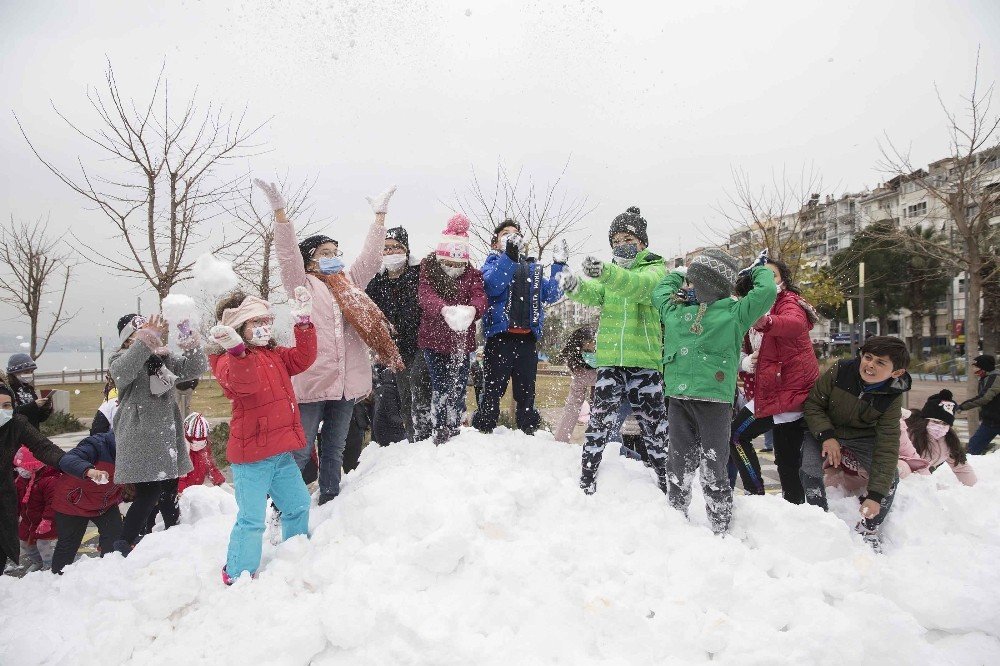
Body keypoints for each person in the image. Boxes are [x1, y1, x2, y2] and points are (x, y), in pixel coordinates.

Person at [258, 178, 400, 504]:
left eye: (336, 253)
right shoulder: (301, 284)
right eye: (325, 253)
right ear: (310, 261)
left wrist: (379, 218)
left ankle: (330, 500)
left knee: (334, 448)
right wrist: (280, 214)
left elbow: (371, 258)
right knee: (300, 449)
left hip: (346, 384)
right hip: (314, 381)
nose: (333, 257)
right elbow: (287, 255)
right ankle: (283, 505)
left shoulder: (349, 284)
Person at [653, 250, 777, 534]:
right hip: (679, 399)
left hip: (715, 401)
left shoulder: (734, 313)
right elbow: (658, 293)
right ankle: (676, 522)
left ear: (710, 285)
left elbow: (766, 292)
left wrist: (755, 271)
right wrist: (678, 274)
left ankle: (720, 526)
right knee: (678, 463)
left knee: (714, 465)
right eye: (688, 281)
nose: (688, 287)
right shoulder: (676, 311)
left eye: (693, 282)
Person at [208, 288, 317, 584]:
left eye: (266, 321)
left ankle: (294, 553)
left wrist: (304, 323)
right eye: (256, 322)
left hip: (281, 454)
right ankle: (238, 573)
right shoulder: (226, 361)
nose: (264, 327)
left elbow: (303, 359)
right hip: (251, 459)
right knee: (252, 520)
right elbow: (245, 385)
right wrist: (237, 353)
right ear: (238, 328)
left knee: (298, 504)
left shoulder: (274, 354)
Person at [558, 207, 668, 493]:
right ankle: (586, 480)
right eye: (616, 241)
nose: (621, 245)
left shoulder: (656, 270)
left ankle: (667, 485)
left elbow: (640, 287)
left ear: (642, 242)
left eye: (628, 239)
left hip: (643, 363)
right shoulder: (612, 277)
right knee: (599, 424)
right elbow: (594, 293)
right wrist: (574, 285)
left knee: (654, 429)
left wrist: (607, 273)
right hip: (609, 362)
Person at [801, 336, 912, 552]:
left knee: (889, 479)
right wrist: (827, 436)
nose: (870, 365)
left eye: (880, 362)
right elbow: (813, 404)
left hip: (862, 435)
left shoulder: (892, 396)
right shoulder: (842, 370)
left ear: (896, 372)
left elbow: (887, 443)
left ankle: (869, 529)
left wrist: (875, 496)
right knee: (809, 468)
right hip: (825, 427)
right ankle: (820, 521)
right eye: (867, 357)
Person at [108, 312, 207, 556]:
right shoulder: (120, 358)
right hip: (139, 433)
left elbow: (195, 368)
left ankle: (174, 534)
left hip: (165, 433)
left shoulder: (163, 358)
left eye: (152, 330)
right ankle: (124, 544)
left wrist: (188, 338)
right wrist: (146, 340)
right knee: (150, 492)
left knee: (169, 488)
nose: (151, 335)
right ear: (128, 339)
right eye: (141, 332)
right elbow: (122, 373)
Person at [729, 255, 819, 503]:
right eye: (761, 276)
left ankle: (756, 494)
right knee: (787, 460)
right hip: (771, 390)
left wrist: (766, 321)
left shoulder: (789, 302)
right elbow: (738, 347)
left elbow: (795, 323)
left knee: (737, 436)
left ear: (783, 281)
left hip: (790, 390)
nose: (767, 281)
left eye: (773, 276)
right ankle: (793, 507)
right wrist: (745, 361)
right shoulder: (751, 306)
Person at [471, 220, 566, 434]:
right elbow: (493, 286)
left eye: (516, 234)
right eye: (506, 234)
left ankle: (528, 431)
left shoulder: (533, 268)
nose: (512, 237)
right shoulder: (491, 264)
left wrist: (559, 265)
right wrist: (510, 257)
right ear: (495, 243)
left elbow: (552, 294)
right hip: (500, 338)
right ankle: (484, 429)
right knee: (492, 390)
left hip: (527, 339)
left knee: (526, 392)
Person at [417, 213, 486, 445]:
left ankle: (454, 425)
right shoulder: (428, 270)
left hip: (461, 342)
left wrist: (472, 310)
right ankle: (439, 426)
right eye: (448, 263)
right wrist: (444, 310)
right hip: (433, 340)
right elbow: (425, 296)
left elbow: (480, 297)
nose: (453, 268)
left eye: (458, 264)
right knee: (440, 385)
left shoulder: (473, 274)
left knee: (458, 385)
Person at [366, 226, 433, 442]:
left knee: (419, 384)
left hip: (423, 341)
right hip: (396, 348)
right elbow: (370, 313)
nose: (391, 251)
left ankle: (427, 436)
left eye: (396, 247)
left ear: (406, 249)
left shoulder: (421, 274)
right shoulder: (377, 282)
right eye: (386, 248)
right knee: (404, 396)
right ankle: (413, 439)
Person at [0, 385, 64, 574]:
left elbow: (44, 447)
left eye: (6, 405)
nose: (2, 411)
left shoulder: (15, 424)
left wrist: (74, 464)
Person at [52, 431, 124, 574]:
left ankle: (109, 574)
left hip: (105, 503)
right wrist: (90, 471)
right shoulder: (98, 444)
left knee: (114, 539)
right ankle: (58, 580)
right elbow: (67, 460)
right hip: (72, 503)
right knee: (68, 545)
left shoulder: (138, 452)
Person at [897, 396, 976, 485]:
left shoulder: (949, 441)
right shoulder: (911, 433)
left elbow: (961, 467)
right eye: (935, 422)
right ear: (925, 420)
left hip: (921, 477)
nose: (939, 426)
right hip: (901, 474)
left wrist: (974, 487)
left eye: (944, 423)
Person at [13, 446, 59, 572]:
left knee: (43, 544)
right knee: (24, 543)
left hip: (45, 520)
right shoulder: (21, 480)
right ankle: (37, 561)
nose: (20, 470)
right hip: (28, 521)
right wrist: (14, 515)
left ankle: (49, 565)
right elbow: (16, 500)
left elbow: (52, 503)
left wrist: (47, 520)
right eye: (18, 467)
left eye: (23, 467)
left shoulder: (49, 480)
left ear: (34, 466)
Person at [553, 326, 598, 443]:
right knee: (572, 407)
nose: (590, 351)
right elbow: (572, 407)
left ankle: (597, 441)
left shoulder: (603, 362)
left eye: (593, 348)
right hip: (583, 373)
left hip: (600, 375)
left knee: (598, 407)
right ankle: (560, 440)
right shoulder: (577, 365)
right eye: (586, 350)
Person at [958, 354, 1000, 455]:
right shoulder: (985, 378)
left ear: (984, 368)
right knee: (972, 449)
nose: (974, 370)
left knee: (973, 449)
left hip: (995, 420)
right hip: (990, 422)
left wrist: (962, 406)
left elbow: (984, 398)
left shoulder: (995, 378)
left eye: (977, 367)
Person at [176, 412, 226, 493]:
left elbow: (210, 467)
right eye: (194, 442)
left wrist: (220, 483)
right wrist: (182, 492)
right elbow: (180, 479)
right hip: (184, 493)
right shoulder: (182, 453)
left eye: (202, 443)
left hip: (197, 491)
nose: (198, 446)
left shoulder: (204, 450)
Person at [6, 353, 52, 430]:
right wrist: (34, 405)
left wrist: (45, 408)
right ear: (14, 372)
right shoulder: (7, 390)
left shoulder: (29, 389)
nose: (30, 374)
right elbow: (9, 414)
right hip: (16, 434)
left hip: (34, 434)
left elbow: (39, 418)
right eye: (26, 372)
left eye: (31, 371)